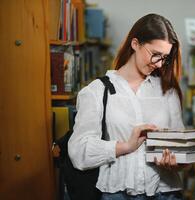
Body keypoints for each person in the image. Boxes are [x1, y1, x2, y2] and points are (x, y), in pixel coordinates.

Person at [68, 13, 186, 200]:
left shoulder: (168, 92)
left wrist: (175, 162)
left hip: (165, 193)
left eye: (165, 58)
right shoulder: (97, 91)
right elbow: (78, 152)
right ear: (135, 44)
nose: (159, 64)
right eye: (155, 55)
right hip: (116, 194)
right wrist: (126, 146)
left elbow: (180, 147)